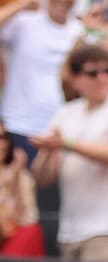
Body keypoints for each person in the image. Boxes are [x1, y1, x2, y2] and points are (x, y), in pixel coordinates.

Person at [31, 44, 108, 262]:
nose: (102, 78)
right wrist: (48, 151)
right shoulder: (65, 113)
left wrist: (66, 143)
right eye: (92, 73)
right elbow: (43, 177)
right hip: (71, 231)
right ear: (75, 80)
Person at [0, 0, 84, 163]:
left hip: (58, 130)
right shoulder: (24, 22)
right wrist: (22, 4)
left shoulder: (79, 31)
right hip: (17, 123)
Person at [0, 130, 42, 257]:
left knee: (31, 232)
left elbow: (26, 217)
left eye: (3, 138)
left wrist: (15, 178)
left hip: (12, 243)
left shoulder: (21, 176)